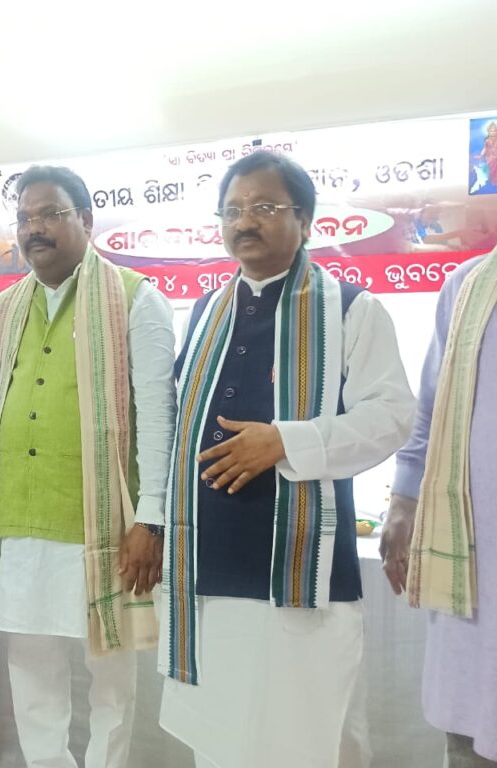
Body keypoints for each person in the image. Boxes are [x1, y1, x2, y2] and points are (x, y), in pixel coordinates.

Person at [158, 153, 416, 768]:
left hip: (301, 577)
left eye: (265, 207)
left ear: (305, 219)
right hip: (208, 569)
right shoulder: (205, 311)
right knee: (222, 739)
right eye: (232, 210)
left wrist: (285, 442)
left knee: (302, 737)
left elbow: (392, 418)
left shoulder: (351, 308)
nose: (245, 221)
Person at [0, 165, 177, 768]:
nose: (35, 228)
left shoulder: (136, 298)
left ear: (85, 219)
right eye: (24, 218)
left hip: (102, 526)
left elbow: (160, 416)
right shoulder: (7, 307)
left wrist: (152, 519)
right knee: (32, 674)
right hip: (18, 521)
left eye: (50, 214)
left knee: (111, 677)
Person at [382, 244, 497, 766]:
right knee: (469, 731)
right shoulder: (469, 285)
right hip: (477, 571)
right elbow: (429, 411)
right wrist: (403, 504)